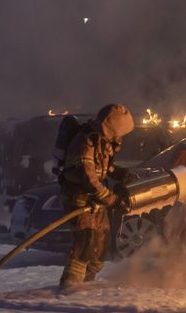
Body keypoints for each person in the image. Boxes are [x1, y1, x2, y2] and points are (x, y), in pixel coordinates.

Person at [57, 103, 135, 289]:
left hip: (96, 202)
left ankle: (86, 285)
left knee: (102, 245)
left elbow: (104, 168)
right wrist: (114, 200)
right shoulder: (85, 142)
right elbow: (89, 179)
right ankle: (70, 288)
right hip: (79, 200)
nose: (120, 138)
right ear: (112, 129)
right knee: (85, 243)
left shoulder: (103, 142)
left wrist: (120, 173)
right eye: (120, 133)